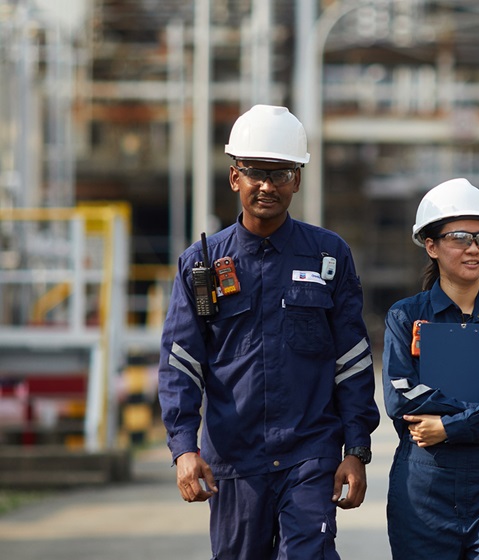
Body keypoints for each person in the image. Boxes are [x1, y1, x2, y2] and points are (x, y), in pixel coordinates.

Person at [158, 104, 380, 559]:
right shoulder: (202, 264)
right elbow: (181, 361)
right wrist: (183, 448)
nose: (267, 185)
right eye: (256, 172)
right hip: (235, 462)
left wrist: (356, 449)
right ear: (234, 176)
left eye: (280, 174)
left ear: (297, 179)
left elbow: (353, 360)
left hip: (310, 454)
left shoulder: (328, 256)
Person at [381, 178, 479, 559]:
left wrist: (448, 426)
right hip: (424, 494)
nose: (474, 248)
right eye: (460, 237)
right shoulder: (405, 317)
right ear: (431, 246)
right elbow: (401, 397)